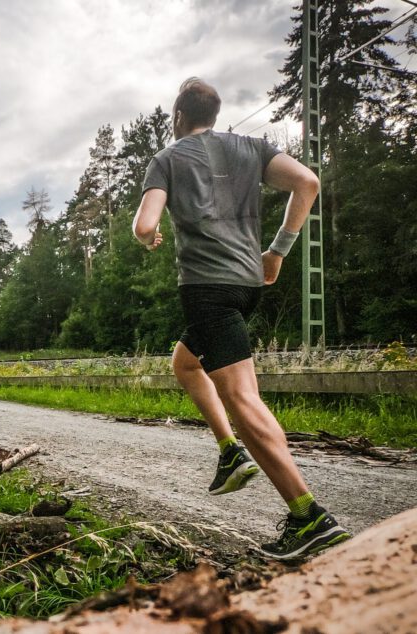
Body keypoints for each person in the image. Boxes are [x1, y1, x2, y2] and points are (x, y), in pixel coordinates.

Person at [132, 77, 350, 559]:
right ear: (214, 114)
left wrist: (148, 238)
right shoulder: (251, 148)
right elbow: (308, 183)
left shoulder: (167, 158)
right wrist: (277, 252)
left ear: (177, 117)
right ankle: (230, 453)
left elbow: (145, 224)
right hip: (249, 284)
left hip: (206, 290)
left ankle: (309, 515)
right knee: (186, 364)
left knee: (243, 398)